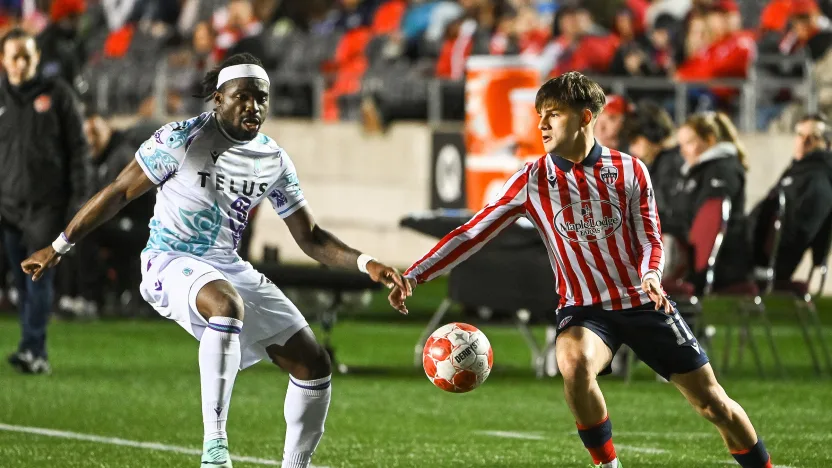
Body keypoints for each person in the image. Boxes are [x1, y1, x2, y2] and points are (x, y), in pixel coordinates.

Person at [20, 52, 409, 468]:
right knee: (226, 304)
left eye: (261, 98)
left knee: (313, 363)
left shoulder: (273, 159)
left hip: (226, 265)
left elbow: (310, 237)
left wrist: (368, 263)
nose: (253, 106)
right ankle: (215, 449)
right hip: (168, 260)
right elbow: (118, 192)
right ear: (219, 98)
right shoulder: (181, 139)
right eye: (243, 96)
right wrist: (59, 245)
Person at [389, 72, 773, 468]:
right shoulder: (532, 179)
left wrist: (651, 275)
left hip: (643, 302)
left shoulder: (630, 170)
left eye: (553, 114)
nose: (542, 124)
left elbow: (651, 239)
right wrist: (415, 275)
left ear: (585, 117)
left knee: (713, 404)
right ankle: (607, 465)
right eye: (540, 115)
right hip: (585, 311)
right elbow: (472, 233)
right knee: (572, 362)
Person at [0, 28, 88, 375]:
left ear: (37, 58)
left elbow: (78, 149)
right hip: (8, 207)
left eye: (27, 56)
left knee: (37, 278)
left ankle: (34, 350)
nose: (21, 63)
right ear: (4, 59)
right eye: (15, 57)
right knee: (20, 282)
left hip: (47, 206)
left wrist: (79, 201)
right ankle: (30, 346)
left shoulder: (58, 95)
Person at [751, 113, 832, 283]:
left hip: (764, 261)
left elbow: (796, 235)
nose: (804, 141)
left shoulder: (819, 180)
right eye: (800, 135)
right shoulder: (796, 171)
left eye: (813, 137)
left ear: (827, 144)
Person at [676, 111, 751, 291]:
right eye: (681, 144)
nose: (683, 151)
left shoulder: (722, 169)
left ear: (709, 140)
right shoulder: (698, 171)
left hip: (721, 265)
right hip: (695, 258)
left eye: (689, 142)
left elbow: (705, 224)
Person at [622, 100, 686, 239]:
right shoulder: (664, 161)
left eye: (635, 141)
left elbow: (669, 216)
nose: (632, 149)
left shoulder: (670, 164)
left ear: (650, 135)